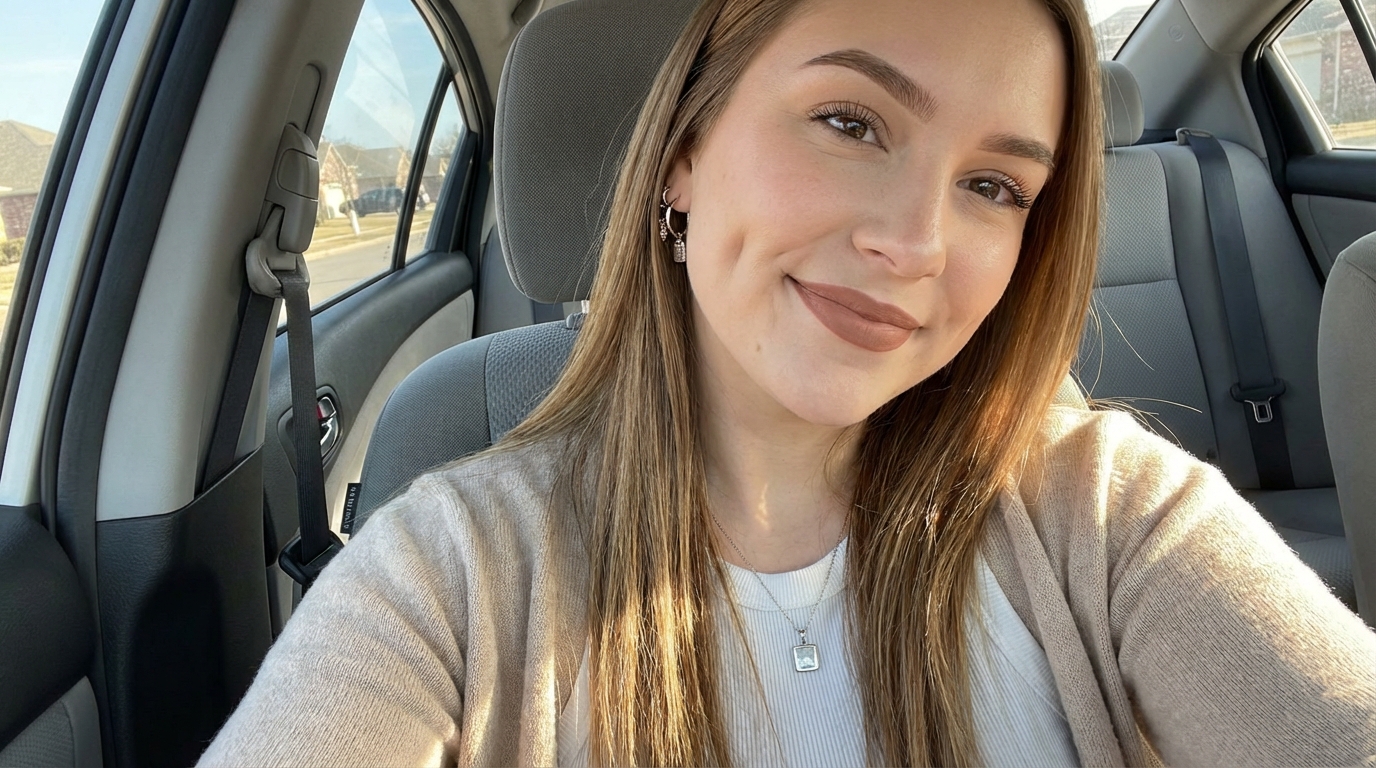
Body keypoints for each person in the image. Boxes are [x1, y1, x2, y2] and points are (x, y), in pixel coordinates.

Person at [199, 0, 1376, 765]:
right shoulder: (446, 578)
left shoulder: (1106, 513)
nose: (915, 243)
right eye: (849, 122)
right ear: (682, 153)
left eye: (993, 187)